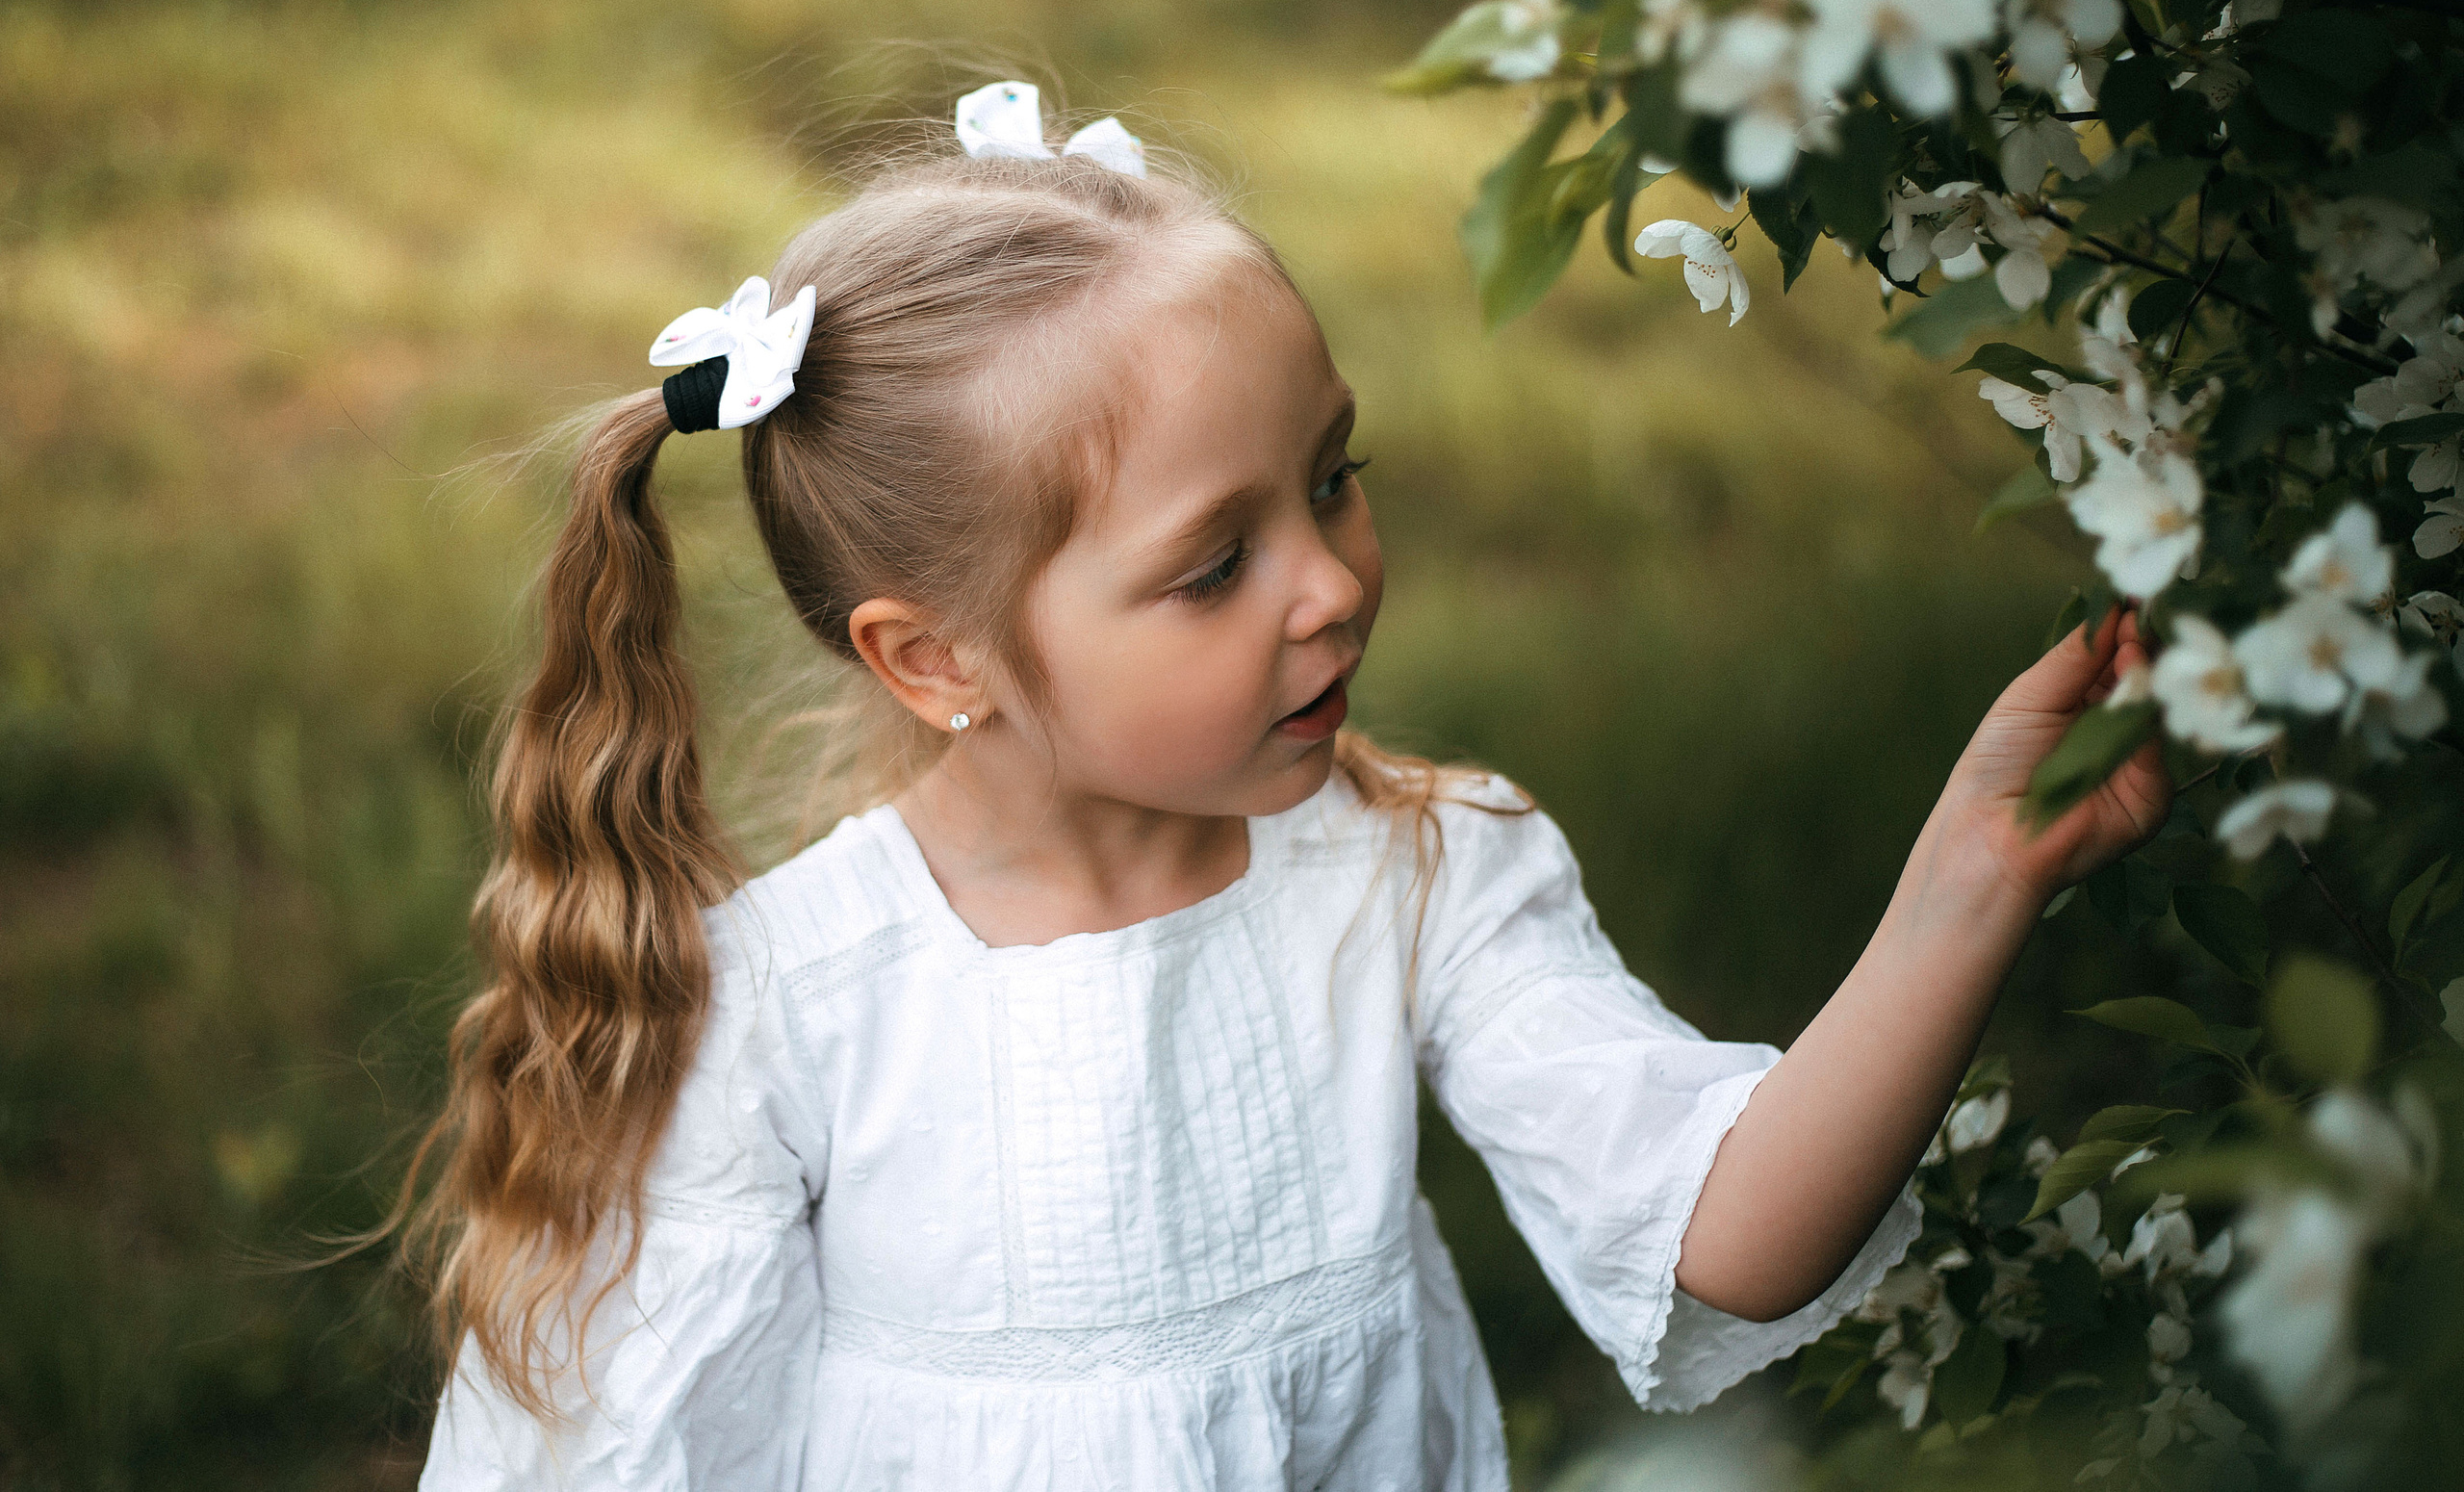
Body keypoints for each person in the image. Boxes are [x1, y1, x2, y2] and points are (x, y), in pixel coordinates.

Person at [405, 81, 2169, 1491]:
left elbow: (1725, 1234)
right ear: (934, 660)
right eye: (1213, 567)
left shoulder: (1420, 875)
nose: (1328, 582)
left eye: (1334, 476)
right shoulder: (789, 1006)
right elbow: (627, 1452)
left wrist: (1974, 879)